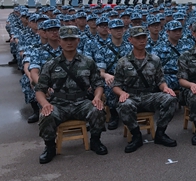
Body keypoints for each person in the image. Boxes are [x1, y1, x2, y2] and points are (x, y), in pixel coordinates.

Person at [34, 26, 107, 164]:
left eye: (72, 39)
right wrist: (45, 104)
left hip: (82, 102)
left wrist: (97, 97)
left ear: (78, 40)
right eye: (65, 39)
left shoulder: (88, 62)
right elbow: (40, 90)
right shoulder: (51, 64)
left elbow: (98, 84)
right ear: (59, 41)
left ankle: (95, 141)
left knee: (98, 110)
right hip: (59, 104)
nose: (69, 42)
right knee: (46, 115)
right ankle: (50, 147)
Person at [112, 26, 179, 153]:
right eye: (138, 38)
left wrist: (165, 88)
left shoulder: (154, 59)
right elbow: (116, 85)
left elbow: (160, 80)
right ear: (130, 40)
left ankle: (160, 133)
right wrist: (121, 93)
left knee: (170, 98)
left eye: (144, 37)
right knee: (124, 104)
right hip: (131, 96)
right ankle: (136, 136)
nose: (142, 41)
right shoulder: (123, 61)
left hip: (149, 95)